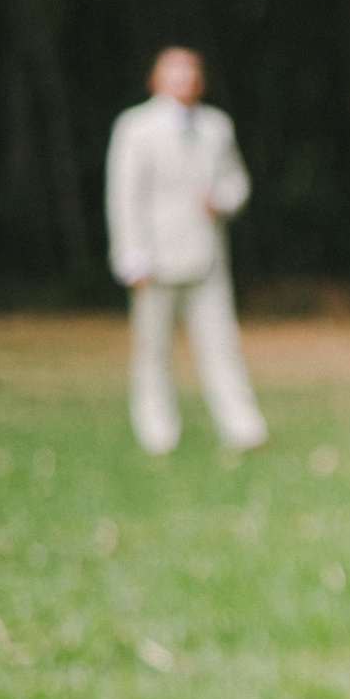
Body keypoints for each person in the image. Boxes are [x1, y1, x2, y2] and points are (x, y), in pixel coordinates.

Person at [104, 46, 268, 455]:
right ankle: (157, 433)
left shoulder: (217, 126)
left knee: (221, 345)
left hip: (207, 256)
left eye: (191, 71)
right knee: (152, 350)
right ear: (156, 79)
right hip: (155, 258)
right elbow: (124, 196)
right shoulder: (135, 127)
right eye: (175, 72)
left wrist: (223, 199)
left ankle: (243, 428)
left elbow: (237, 182)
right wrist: (130, 256)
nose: (185, 79)